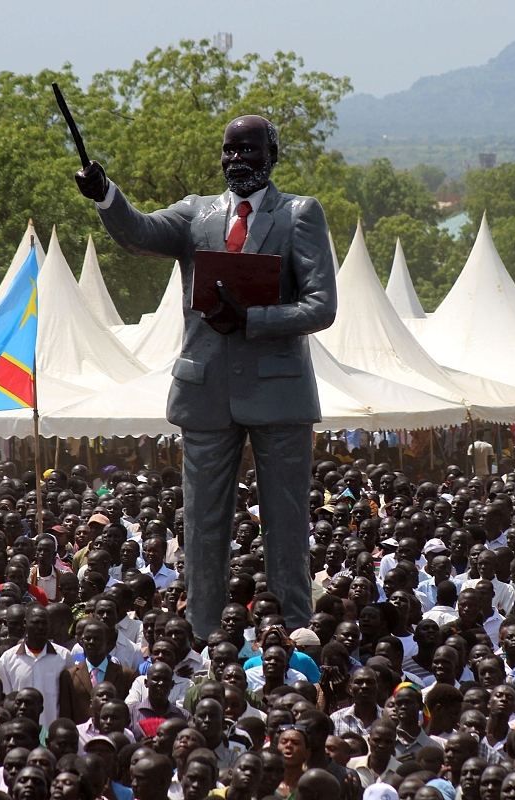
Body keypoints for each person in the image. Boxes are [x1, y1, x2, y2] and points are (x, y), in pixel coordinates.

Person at [76, 114, 337, 637]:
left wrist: (254, 319)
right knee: (202, 524)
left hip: (279, 392)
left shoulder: (299, 214)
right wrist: (106, 195)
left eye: (249, 150)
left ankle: (294, 631)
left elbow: (321, 305)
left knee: (286, 524)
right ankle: (200, 635)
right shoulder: (196, 214)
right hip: (205, 391)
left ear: (273, 155)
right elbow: (139, 233)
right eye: (228, 150)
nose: (237, 160)